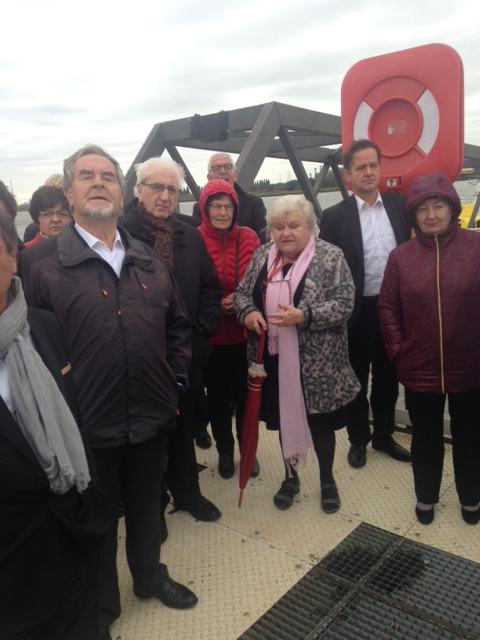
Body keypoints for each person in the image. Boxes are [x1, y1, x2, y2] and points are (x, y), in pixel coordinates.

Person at [18, 145, 196, 640]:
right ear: (69, 193)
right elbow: (28, 343)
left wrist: (174, 383)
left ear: (121, 193)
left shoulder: (146, 259)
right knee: (95, 524)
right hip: (85, 427)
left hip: (151, 415)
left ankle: (149, 576)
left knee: (147, 509)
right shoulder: (40, 264)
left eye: (107, 176)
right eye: (86, 175)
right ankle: (100, 608)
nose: (98, 182)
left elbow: (177, 327)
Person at [0, 212, 112, 640]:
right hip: (10, 571)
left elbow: (74, 417)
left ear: (13, 256)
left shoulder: (43, 326)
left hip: (72, 535)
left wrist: (91, 502)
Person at [234, 195, 360, 512]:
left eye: (294, 225)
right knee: (282, 418)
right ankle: (291, 478)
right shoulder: (262, 255)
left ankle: (327, 480)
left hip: (319, 365)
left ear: (309, 226)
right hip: (273, 360)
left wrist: (305, 316)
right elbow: (241, 294)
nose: (286, 232)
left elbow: (345, 303)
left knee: (321, 425)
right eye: (278, 226)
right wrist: (249, 312)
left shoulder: (330, 256)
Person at [123, 156, 223, 525]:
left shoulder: (190, 235)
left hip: (186, 353)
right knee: (146, 438)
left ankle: (188, 494)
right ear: (138, 190)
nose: (165, 196)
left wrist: (201, 335)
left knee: (183, 428)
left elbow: (211, 288)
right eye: (156, 187)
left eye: (172, 189)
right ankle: (152, 509)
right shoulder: (119, 235)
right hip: (139, 357)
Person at [378, 172, 480, 526]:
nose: (431, 215)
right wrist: (398, 351)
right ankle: (426, 497)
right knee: (424, 438)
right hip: (418, 366)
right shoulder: (400, 257)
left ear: (452, 208)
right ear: (413, 215)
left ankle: (471, 498)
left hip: (471, 364)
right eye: (423, 208)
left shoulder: (476, 247)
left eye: (438, 206)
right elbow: (388, 308)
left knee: (471, 437)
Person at [320, 139, 411, 469]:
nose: (368, 172)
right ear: (348, 175)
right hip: (355, 312)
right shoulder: (334, 217)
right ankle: (358, 439)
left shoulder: (401, 207)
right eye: (361, 167)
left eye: (373, 165)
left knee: (389, 376)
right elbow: (325, 268)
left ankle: (384, 435)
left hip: (394, 309)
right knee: (355, 377)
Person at [197, 178, 261, 479]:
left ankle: (249, 449)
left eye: (228, 207)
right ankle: (225, 449)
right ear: (204, 208)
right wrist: (214, 305)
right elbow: (188, 286)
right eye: (216, 206)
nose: (222, 212)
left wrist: (240, 301)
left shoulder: (249, 237)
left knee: (248, 399)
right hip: (212, 338)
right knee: (218, 400)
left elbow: (263, 281)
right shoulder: (194, 239)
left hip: (245, 337)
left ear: (236, 209)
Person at [192, 152, 267, 242]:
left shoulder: (254, 204)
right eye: (216, 168)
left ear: (235, 175)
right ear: (209, 178)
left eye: (227, 167)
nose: (223, 171)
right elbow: (196, 241)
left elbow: (265, 239)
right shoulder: (199, 208)